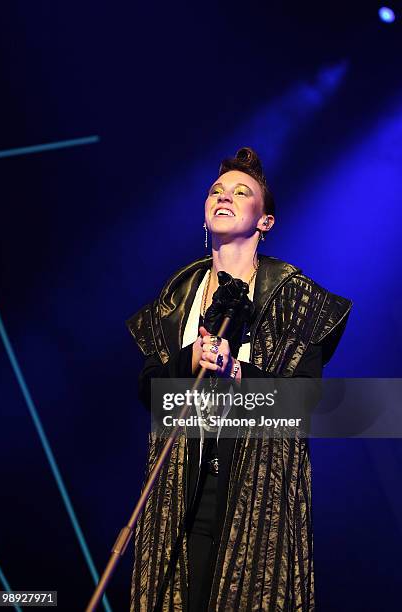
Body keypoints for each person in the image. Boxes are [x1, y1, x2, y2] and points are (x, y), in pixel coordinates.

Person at [126, 147, 352, 611]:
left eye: (241, 191)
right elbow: (150, 394)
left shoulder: (296, 301)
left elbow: (303, 402)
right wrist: (191, 361)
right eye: (216, 190)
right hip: (177, 495)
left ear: (265, 221)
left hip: (255, 501)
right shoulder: (176, 299)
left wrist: (238, 372)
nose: (224, 196)